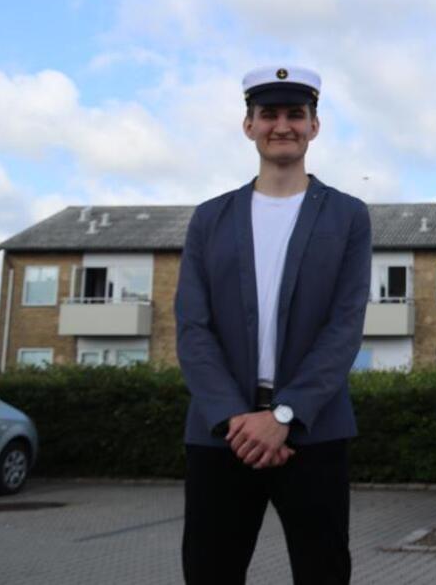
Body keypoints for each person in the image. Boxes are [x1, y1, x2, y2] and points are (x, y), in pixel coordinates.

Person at [175, 66, 371, 584]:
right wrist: (235, 419)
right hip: (223, 434)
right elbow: (193, 328)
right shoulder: (209, 218)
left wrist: (284, 414)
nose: (282, 126)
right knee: (209, 573)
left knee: (323, 573)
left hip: (314, 431)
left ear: (314, 126)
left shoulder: (349, 216)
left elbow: (344, 327)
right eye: (269, 115)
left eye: (295, 115)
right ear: (249, 126)